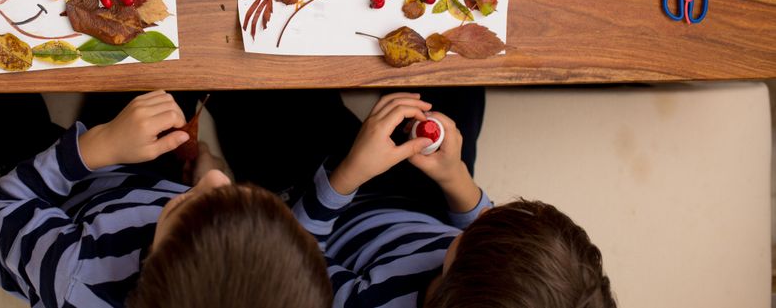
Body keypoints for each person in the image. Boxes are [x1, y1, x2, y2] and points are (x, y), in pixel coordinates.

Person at [0, 90, 332, 308]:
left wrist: (94, 150)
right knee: (164, 50)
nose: (218, 178)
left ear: (150, 261)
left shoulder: (76, 278)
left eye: (193, 200)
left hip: (26, 204)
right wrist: (197, 179)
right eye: (237, 189)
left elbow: (6, 201)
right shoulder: (261, 267)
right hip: (136, 183)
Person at [210, 89, 615, 308]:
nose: (482, 221)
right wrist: (454, 175)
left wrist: (349, 173)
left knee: (266, 97)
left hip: (315, 210)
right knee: (457, 72)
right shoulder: (490, 266)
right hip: (421, 200)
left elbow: (286, 258)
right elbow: (480, 226)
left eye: (472, 238)